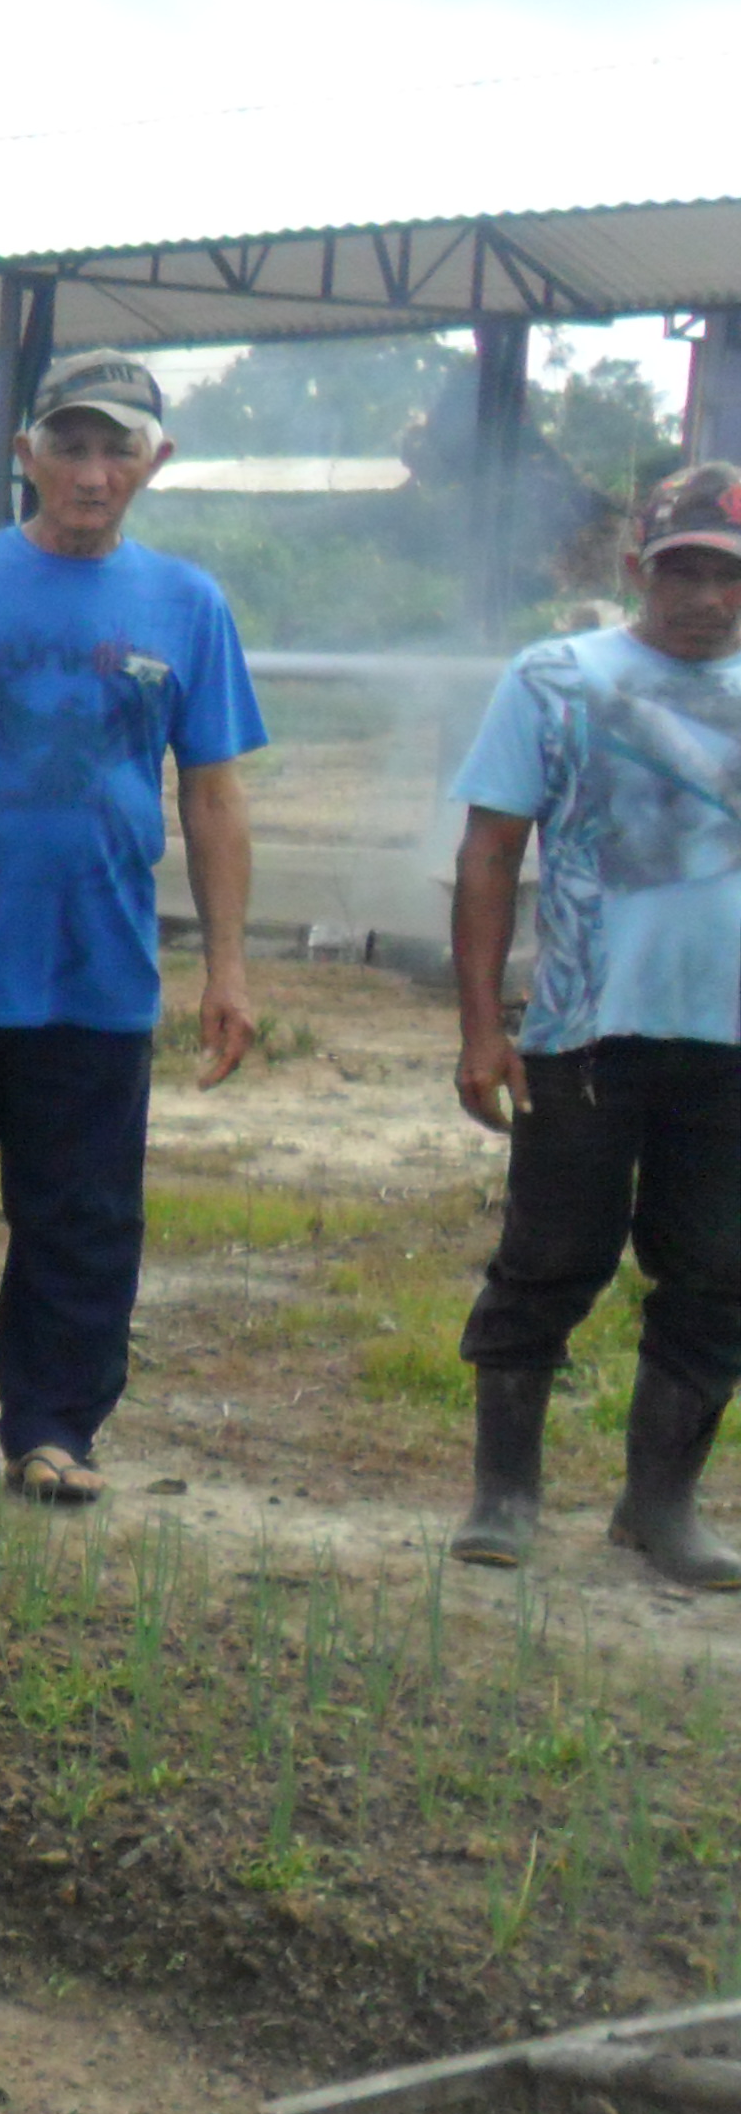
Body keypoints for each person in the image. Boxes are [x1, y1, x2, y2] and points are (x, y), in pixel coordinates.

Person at [0, 352, 265, 1511]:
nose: (92, 470)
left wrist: (227, 963)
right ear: (24, 453)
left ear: (156, 461)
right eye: (69, 445)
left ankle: (53, 1425)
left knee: (82, 1210)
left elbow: (215, 794)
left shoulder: (187, 604)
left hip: (100, 966)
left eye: (117, 447)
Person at [443, 460, 741, 1593]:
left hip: (731, 1045)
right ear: (637, 569)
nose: (706, 596)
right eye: (684, 571)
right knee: (549, 1260)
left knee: (718, 1272)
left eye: (728, 575)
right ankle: (504, 1492)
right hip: (582, 1035)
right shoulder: (557, 677)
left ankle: (659, 1503)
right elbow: (488, 851)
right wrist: (482, 1028)